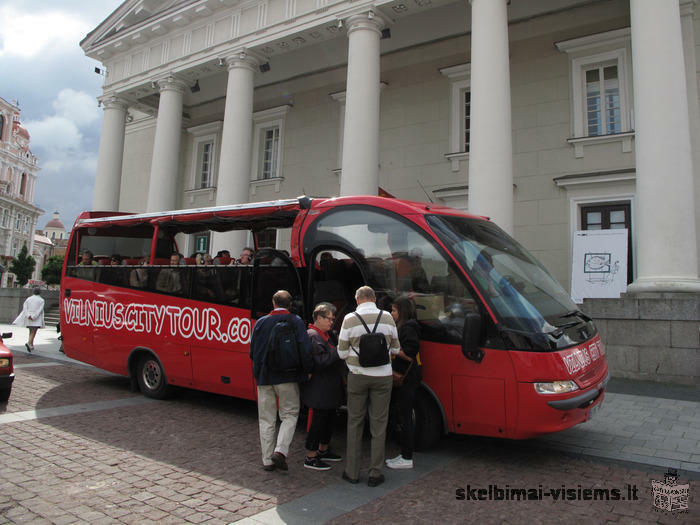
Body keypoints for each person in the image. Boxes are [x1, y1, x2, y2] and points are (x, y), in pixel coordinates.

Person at [337, 285, 400, 487]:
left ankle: (352, 472)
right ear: (374, 299)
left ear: (358, 300)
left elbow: (341, 352)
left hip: (357, 375)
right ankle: (375, 473)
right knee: (379, 425)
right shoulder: (388, 318)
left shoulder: (349, 319)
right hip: (383, 376)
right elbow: (396, 349)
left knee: (354, 422)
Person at [249, 290, 313, 472]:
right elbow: (304, 348)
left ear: (273, 303)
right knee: (290, 414)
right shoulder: (296, 321)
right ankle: (281, 450)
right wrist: (307, 370)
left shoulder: (261, 322)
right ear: (290, 304)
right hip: (287, 376)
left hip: (264, 377)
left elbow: (252, 351)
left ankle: (267, 460)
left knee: (266, 418)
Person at [300, 303, 344, 471]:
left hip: (329, 387)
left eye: (333, 319)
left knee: (328, 419)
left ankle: (323, 450)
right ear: (318, 318)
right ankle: (311, 456)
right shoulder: (313, 336)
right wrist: (339, 351)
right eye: (329, 319)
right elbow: (321, 361)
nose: (331, 322)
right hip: (319, 388)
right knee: (318, 422)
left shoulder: (327, 335)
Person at [386, 295, 422, 470]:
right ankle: (404, 454)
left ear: (402, 312)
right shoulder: (409, 326)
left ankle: (407, 456)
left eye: (393, 310)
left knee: (405, 416)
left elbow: (409, 353)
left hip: (406, 378)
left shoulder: (408, 328)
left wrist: (393, 348)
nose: (392, 313)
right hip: (407, 377)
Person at [13, 288, 45, 352]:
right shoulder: (41, 300)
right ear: (39, 293)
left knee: (31, 331)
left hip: (29, 317)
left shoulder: (29, 299)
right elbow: (39, 310)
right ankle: (29, 343)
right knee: (34, 331)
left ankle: (31, 344)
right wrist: (34, 316)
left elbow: (25, 308)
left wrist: (28, 315)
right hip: (36, 318)